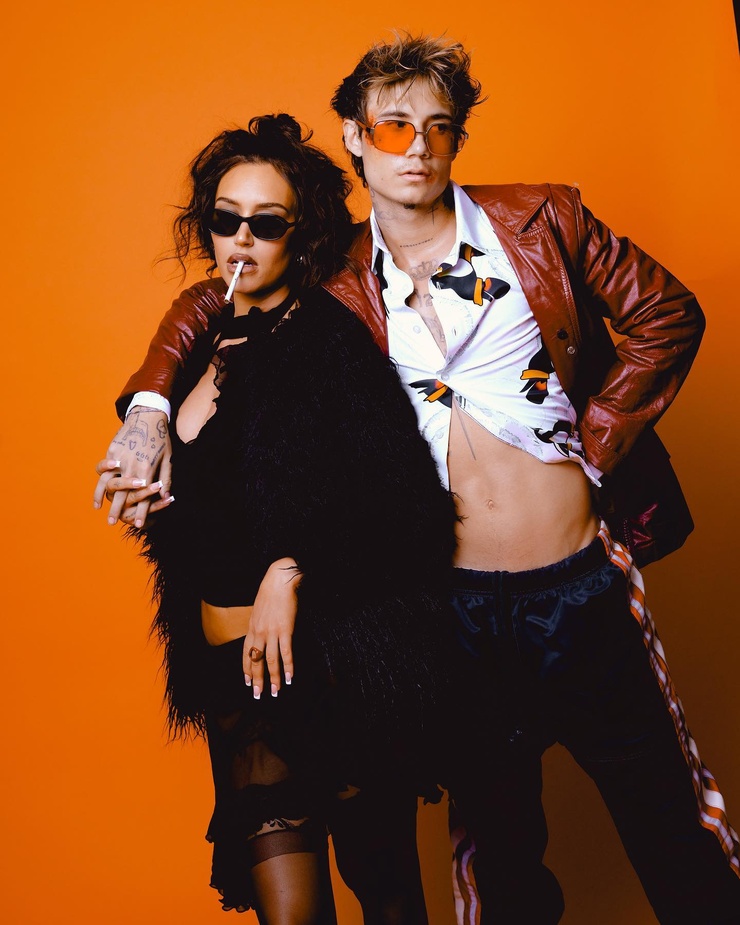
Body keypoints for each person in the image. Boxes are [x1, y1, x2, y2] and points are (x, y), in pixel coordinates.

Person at [94, 36, 740, 925]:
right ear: (355, 138)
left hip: (580, 588)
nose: (418, 147)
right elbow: (222, 287)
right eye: (394, 126)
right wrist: (147, 408)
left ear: (457, 138)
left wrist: (593, 443)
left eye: (439, 127)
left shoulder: (539, 221)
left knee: (674, 832)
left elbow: (668, 312)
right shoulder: (336, 272)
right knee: (501, 864)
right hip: (453, 611)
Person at [97, 112, 458, 924]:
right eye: (226, 219)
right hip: (239, 686)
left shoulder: (331, 346)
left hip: (336, 671)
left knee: (388, 893)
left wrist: (293, 570)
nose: (241, 240)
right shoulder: (193, 345)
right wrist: (155, 499)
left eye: (266, 224)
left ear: (303, 234)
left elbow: (411, 517)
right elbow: (212, 515)